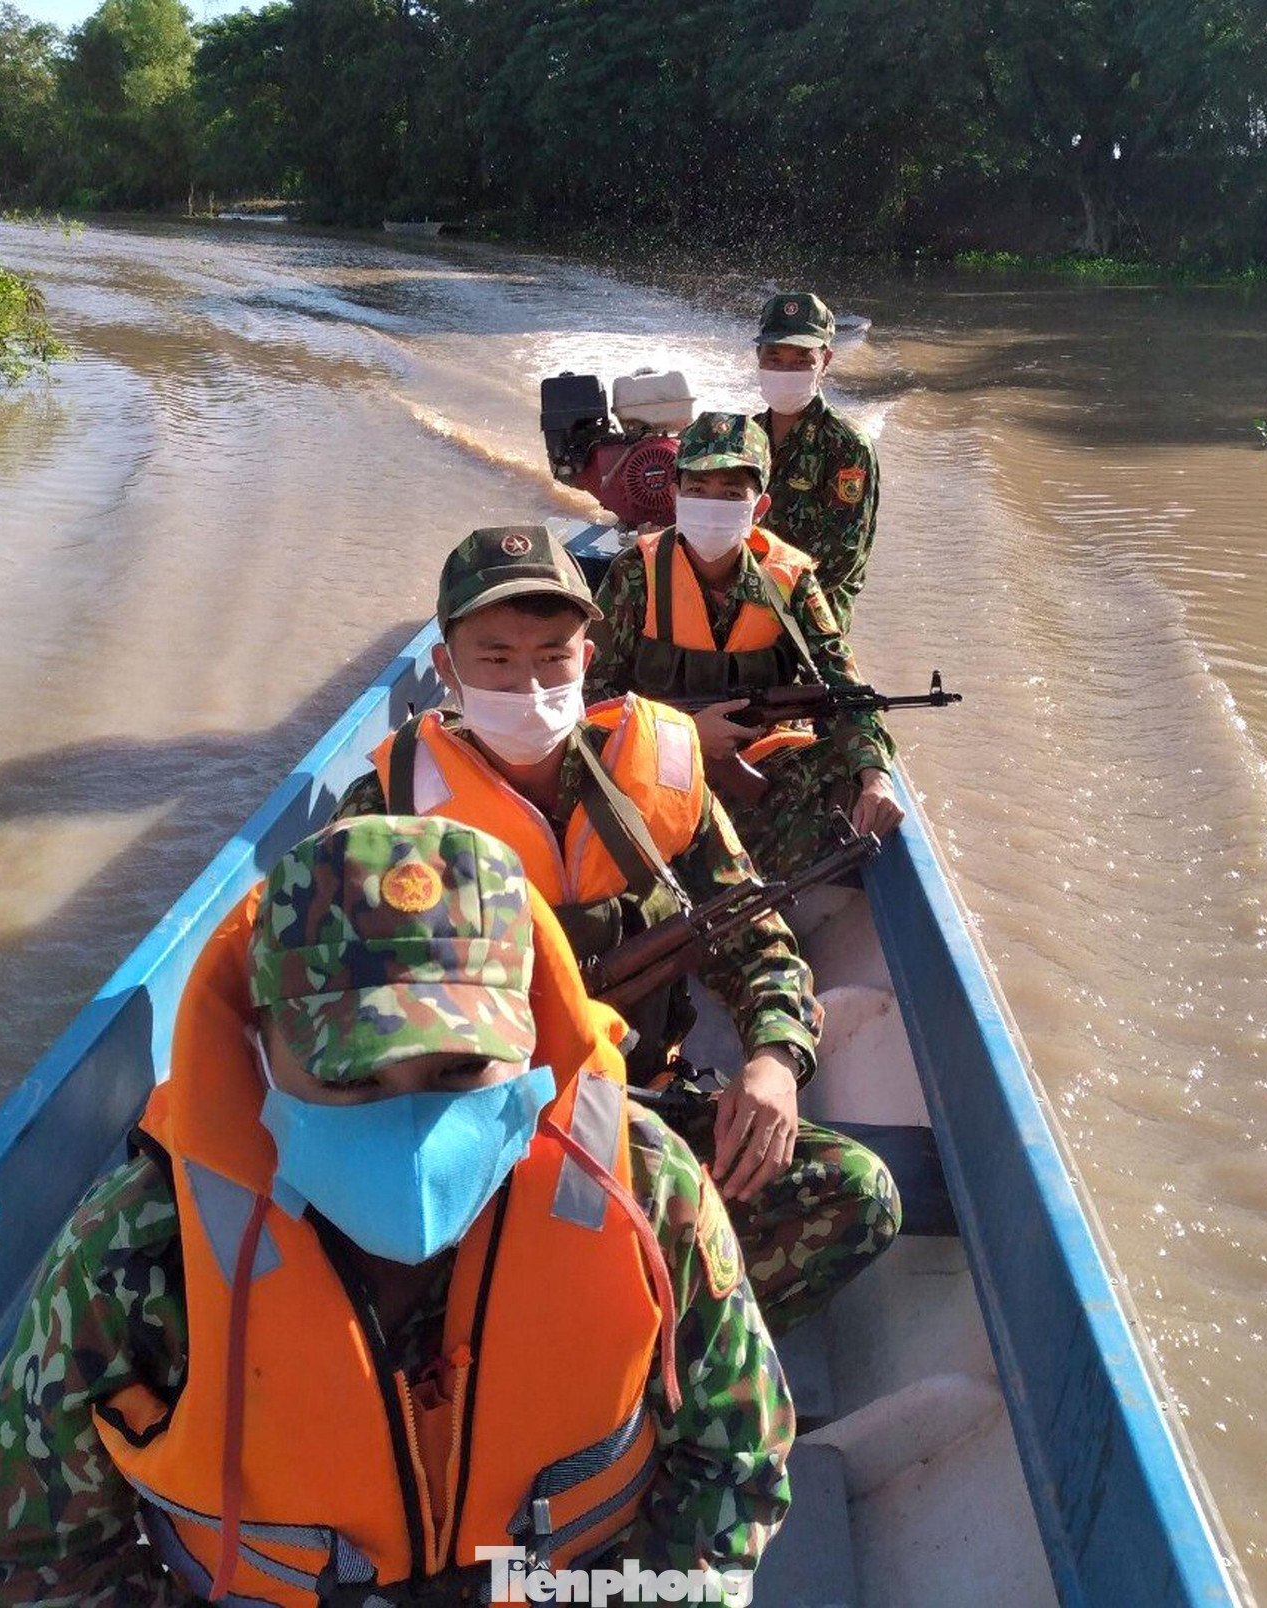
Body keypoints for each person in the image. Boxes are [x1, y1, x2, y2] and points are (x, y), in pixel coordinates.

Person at [0, 816, 794, 1608]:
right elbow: (37, 1560)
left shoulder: (644, 1188)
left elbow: (736, 1458)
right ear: (260, 1055)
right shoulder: (139, 1254)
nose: (414, 1134)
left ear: (532, 1039)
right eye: (351, 1078)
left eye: (462, 1069)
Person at [334, 528, 900, 1330]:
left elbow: (755, 937)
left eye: (552, 657)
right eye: (496, 660)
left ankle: (650, 1351)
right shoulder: (386, 811)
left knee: (857, 1192)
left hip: (637, 1104)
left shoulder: (660, 772)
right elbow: (330, 1023)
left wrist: (775, 1059)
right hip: (464, 1134)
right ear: (447, 670)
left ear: (588, 660)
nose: (529, 685)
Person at [586, 412, 905, 886]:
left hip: (762, 761)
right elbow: (590, 697)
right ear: (674, 495)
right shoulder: (635, 573)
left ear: (760, 506)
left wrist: (875, 773)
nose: (712, 505)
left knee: (849, 772)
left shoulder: (791, 579)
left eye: (732, 494)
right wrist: (684, 735)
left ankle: (745, 880)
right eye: (698, 489)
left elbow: (842, 683)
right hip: (652, 765)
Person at [752, 291, 879, 632]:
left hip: (812, 620)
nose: (785, 370)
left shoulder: (846, 445)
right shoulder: (748, 436)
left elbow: (840, 556)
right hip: (746, 605)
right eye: (774, 358)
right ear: (758, 357)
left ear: (826, 361)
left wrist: (760, 597)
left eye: (801, 360)